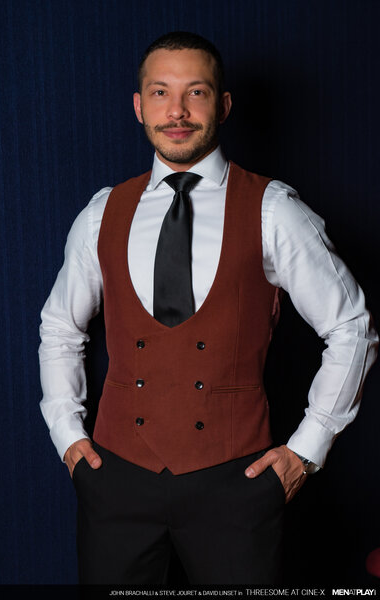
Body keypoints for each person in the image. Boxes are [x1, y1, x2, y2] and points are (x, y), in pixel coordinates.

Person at [39, 31, 378, 584]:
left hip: (236, 486)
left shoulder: (273, 209)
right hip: (116, 483)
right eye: (160, 93)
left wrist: (305, 451)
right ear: (139, 106)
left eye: (195, 92)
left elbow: (352, 328)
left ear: (222, 105)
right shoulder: (103, 212)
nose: (176, 111)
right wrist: (66, 434)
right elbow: (59, 328)